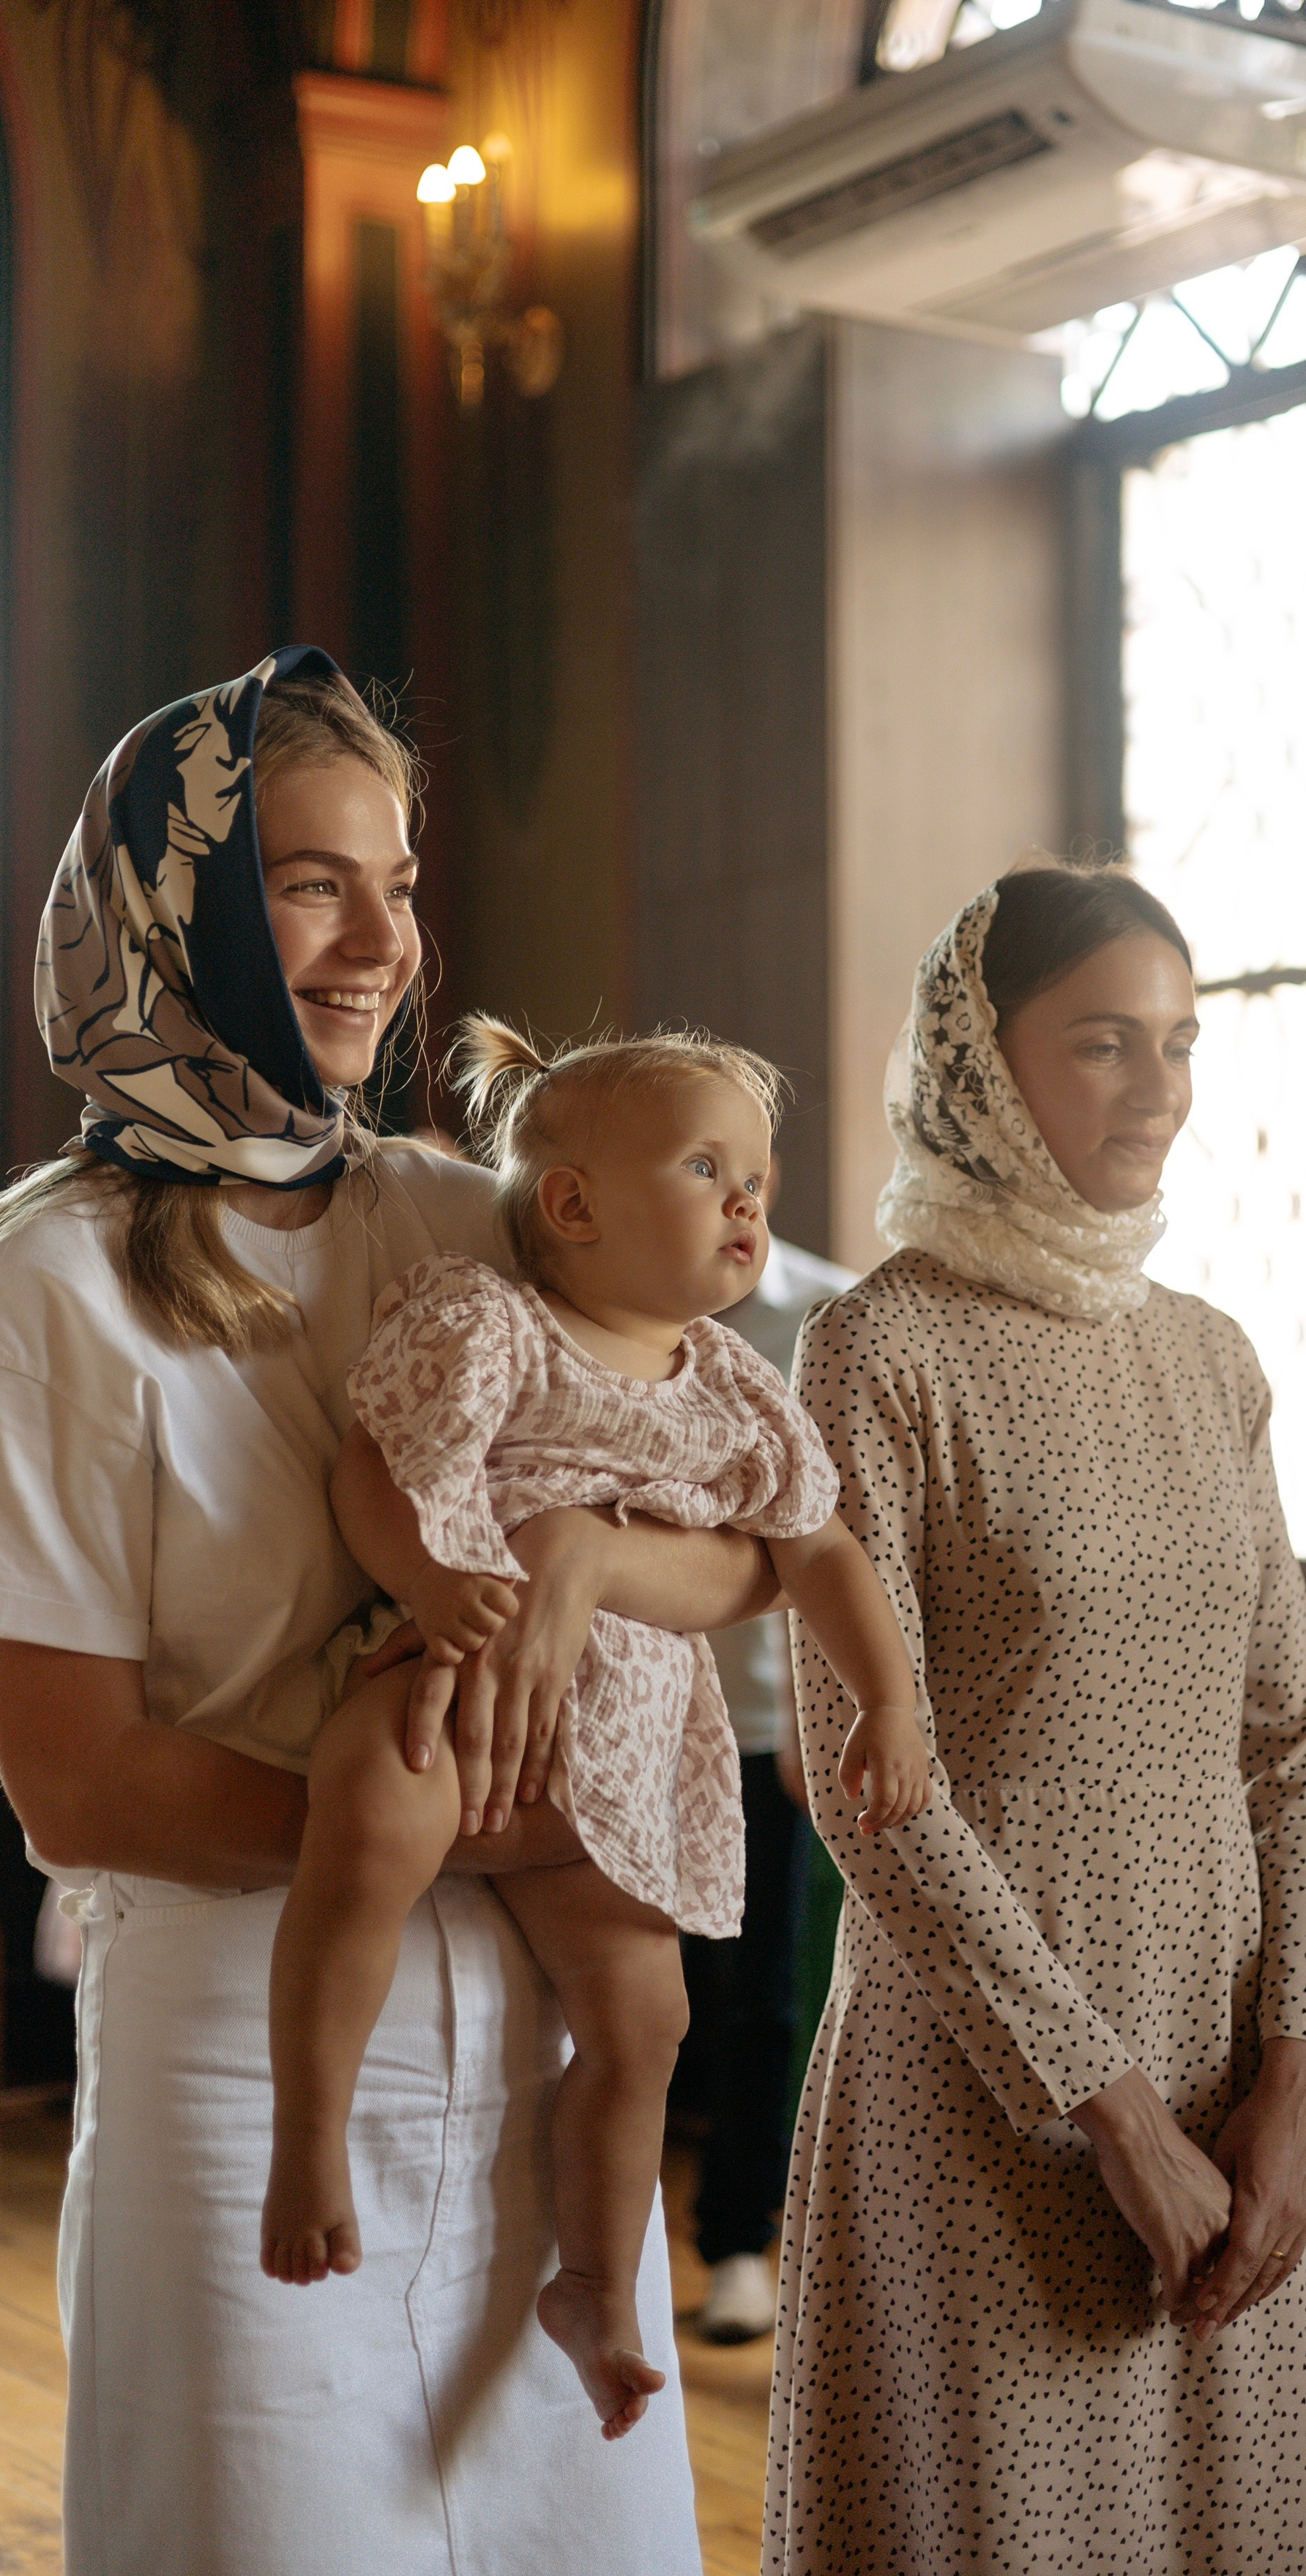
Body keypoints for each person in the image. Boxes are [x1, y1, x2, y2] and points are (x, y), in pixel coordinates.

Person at [0, 650, 774, 2576]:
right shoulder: (56, 1286)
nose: (383, 943)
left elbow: (742, 1554)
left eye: (398, 884)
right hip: (248, 2069)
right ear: (174, 909)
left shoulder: (471, 1216)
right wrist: (481, 1828)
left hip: (545, 2059)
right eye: (310, 885)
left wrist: (586, 1560)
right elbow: (81, 1787)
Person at [766, 864, 1306, 2576]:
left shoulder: (1213, 1359)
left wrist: (1294, 2084)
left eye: (1179, 1042)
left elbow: (1288, 1745)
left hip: (1224, 2091)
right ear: (980, 1062)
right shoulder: (876, 1353)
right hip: (983, 2098)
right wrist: (1110, 2115)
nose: (1156, 1089)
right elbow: (865, 1790)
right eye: (1102, 1043)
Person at [267, 1015, 933, 2439]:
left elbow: (817, 1551)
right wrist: (429, 1581)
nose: (747, 1201)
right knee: (365, 1826)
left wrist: (889, 1697)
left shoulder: (736, 1387)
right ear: (571, 1204)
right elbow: (376, 1468)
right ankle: (308, 2137)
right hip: (456, 1679)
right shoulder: (488, 1322)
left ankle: (593, 2286)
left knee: (647, 2024)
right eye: (706, 1170)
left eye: (756, 1177)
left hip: (620, 1761)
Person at [688, 1189, 854, 2348]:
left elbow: (848, 1540)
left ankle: (738, 2243)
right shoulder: (584, 1306)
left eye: (741, 1165)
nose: (728, 1194)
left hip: (763, 1719)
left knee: (760, 1998)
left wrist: (825, 1706)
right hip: (610, 1708)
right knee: (619, 1992)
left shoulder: (829, 1317)